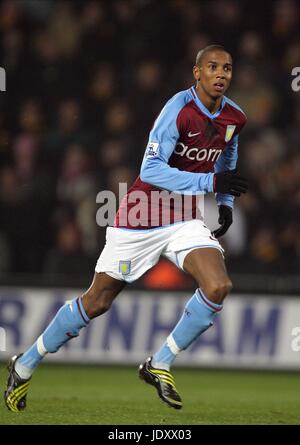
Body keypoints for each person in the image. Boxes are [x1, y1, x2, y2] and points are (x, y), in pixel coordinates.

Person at [4, 44, 248, 412]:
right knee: (98, 300)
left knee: (218, 285)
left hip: (184, 217)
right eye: (212, 67)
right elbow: (150, 171)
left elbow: (227, 152)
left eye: (227, 68)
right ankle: (25, 364)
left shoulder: (235, 117)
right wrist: (211, 186)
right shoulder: (177, 111)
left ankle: (159, 363)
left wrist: (226, 203)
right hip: (140, 214)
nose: (220, 74)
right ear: (196, 73)